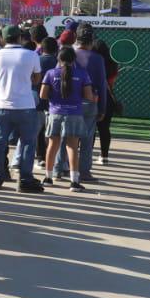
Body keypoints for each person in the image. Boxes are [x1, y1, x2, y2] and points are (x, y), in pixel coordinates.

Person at [0, 25, 44, 193]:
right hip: (25, 105)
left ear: (4, 38)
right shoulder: (31, 55)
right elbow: (36, 79)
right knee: (28, 143)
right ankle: (25, 179)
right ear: (20, 38)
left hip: (2, 105)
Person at [54, 24, 107, 182]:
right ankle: (83, 171)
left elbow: (57, 76)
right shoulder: (98, 59)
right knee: (86, 138)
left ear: (76, 37)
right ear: (92, 40)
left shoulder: (67, 54)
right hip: (90, 103)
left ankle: (58, 169)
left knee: (64, 136)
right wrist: (102, 108)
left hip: (67, 102)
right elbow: (102, 84)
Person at [39, 45, 93, 192]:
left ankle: (48, 178)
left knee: (52, 145)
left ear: (59, 58)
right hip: (74, 113)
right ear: (74, 59)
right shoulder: (82, 74)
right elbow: (89, 96)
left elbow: (42, 95)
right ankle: (74, 181)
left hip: (55, 113)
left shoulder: (50, 73)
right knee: (72, 146)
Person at [35, 36, 59, 167]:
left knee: (39, 130)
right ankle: (54, 158)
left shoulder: (36, 60)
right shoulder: (58, 62)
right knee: (53, 133)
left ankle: (40, 157)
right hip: (54, 103)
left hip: (37, 100)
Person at [95, 39, 120, 165]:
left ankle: (86, 154)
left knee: (90, 128)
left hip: (92, 95)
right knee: (105, 128)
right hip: (108, 97)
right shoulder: (113, 64)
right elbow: (112, 83)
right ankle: (104, 156)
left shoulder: (91, 62)